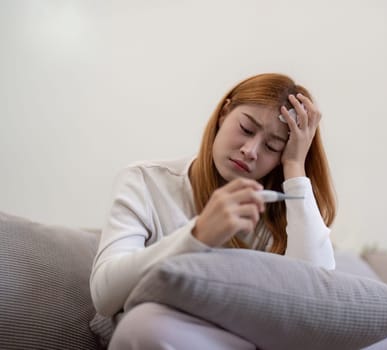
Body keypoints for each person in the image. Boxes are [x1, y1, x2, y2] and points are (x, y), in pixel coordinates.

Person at [89, 73, 337, 349]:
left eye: (271, 146)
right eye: (245, 128)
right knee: (144, 326)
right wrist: (198, 235)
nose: (250, 150)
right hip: (168, 336)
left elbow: (317, 305)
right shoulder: (146, 182)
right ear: (224, 113)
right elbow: (104, 294)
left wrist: (295, 165)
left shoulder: (277, 211)